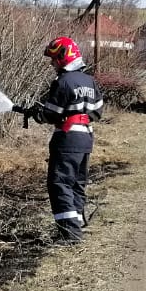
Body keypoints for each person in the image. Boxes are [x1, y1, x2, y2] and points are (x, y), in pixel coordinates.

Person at [34, 35, 104, 244]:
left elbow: (50, 114)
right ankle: (78, 222)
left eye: (54, 59)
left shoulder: (62, 82)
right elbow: (98, 111)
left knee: (60, 183)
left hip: (66, 139)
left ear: (64, 57)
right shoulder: (89, 81)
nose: (52, 64)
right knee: (77, 183)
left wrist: (38, 114)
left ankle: (70, 234)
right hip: (85, 139)